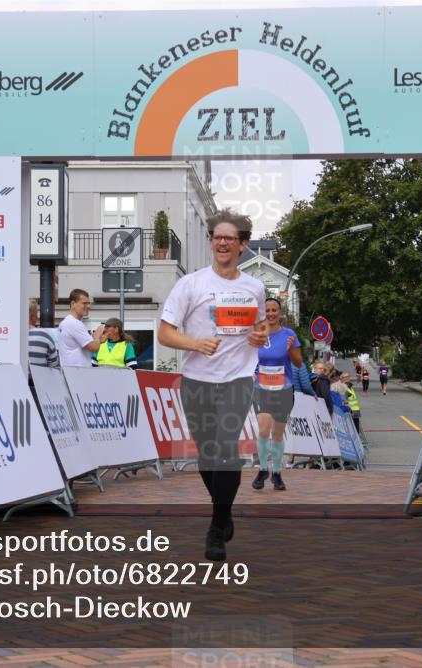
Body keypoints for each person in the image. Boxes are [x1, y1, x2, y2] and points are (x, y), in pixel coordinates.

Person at [158, 209, 267, 562]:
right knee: (208, 456)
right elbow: (164, 333)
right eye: (216, 237)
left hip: (238, 378)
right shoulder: (191, 284)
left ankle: (216, 526)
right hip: (197, 380)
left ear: (242, 245)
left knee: (226, 450)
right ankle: (224, 512)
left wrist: (259, 337)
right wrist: (195, 344)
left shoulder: (255, 287)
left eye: (229, 238)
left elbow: (262, 329)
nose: (221, 242)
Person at [251, 297, 302, 492]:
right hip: (261, 389)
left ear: (279, 313)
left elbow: (298, 363)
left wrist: (290, 350)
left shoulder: (289, 334)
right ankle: (263, 469)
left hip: (283, 389)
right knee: (263, 430)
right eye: (267, 310)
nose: (271, 313)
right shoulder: (257, 335)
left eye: (274, 310)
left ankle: (277, 473)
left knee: (277, 434)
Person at [58, 289, 104, 367]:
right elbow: (94, 347)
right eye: (84, 303)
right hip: (77, 373)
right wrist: (97, 336)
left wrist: (97, 340)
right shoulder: (74, 323)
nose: (88, 306)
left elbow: (86, 345)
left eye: (88, 303)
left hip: (71, 372)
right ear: (73, 304)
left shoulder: (66, 322)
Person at [28, 299, 59, 372]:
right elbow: (53, 364)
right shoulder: (44, 335)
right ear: (33, 315)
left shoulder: (9, 335)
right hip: (38, 381)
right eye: (36, 313)